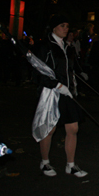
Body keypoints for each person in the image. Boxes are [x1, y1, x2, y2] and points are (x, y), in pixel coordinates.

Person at [35, 15, 87, 177]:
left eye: (67, 26)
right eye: (62, 25)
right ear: (54, 27)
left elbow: (68, 68)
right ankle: (44, 162)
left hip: (66, 92)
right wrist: (57, 85)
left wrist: (78, 73)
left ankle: (70, 165)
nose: (66, 29)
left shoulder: (66, 46)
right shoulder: (45, 46)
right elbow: (40, 73)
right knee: (49, 129)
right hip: (51, 92)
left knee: (73, 128)